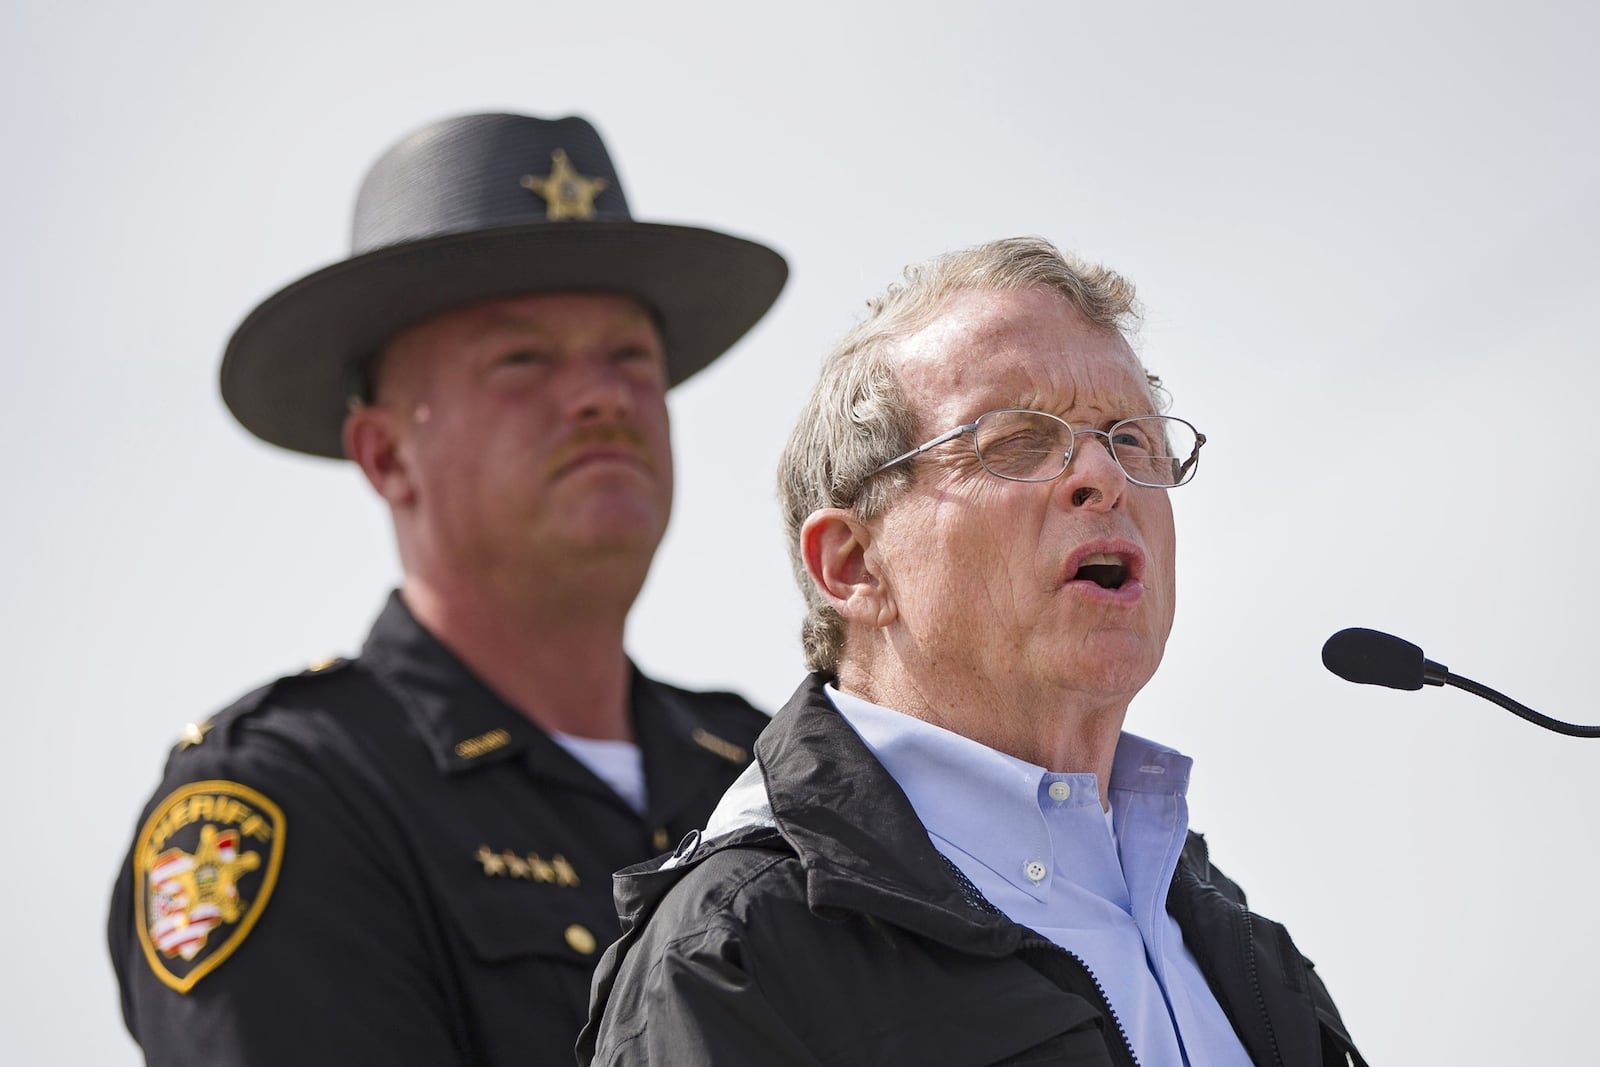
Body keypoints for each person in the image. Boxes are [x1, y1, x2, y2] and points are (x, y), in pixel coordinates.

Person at [579, 237, 1367, 1066]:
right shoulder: (738, 950)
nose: (1102, 473)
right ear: (853, 565)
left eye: (1133, 439)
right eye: (1021, 438)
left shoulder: (1229, 938)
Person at [107, 112, 787, 1066]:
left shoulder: (769, 777)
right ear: (386, 453)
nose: (601, 396)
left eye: (630, 357)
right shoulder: (285, 798)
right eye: (523, 359)